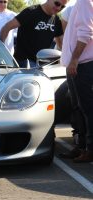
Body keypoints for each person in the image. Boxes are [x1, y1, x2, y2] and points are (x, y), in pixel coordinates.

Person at [60, 0, 93, 163]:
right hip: (79, 64)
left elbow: (85, 33)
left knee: (87, 108)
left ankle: (89, 149)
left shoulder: (84, 1)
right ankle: (81, 146)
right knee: (79, 108)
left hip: (82, 65)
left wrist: (74, 60)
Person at [0, 0, 68, 68]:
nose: (59, 8)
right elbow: (6, 28)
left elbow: (62, 44)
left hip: (43, 64)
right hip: (23, 63)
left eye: (62, 7)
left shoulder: (56, 20)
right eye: (57, 3)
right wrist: (1, 50)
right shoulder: (31, 11)